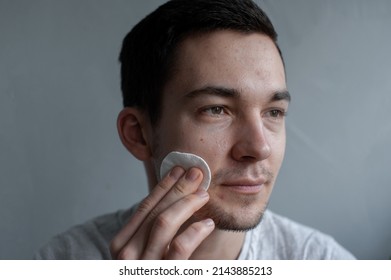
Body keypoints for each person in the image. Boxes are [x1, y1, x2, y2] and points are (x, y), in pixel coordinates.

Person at [35, 0, 355, 259]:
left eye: (274, 112)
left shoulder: (322, 261)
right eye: (216, 109)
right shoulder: (65, 260)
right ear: (139, 133)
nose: (260, 148)